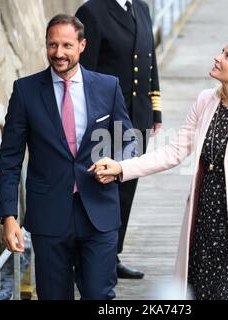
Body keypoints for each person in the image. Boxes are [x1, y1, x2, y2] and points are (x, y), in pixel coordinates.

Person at [90, 36, 228, 300]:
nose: (218, 57)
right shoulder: (206, 101)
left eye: (227, 56)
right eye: (222, 51)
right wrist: (121, 168)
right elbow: (172, 152)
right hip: (204, 226)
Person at [0, 14, 135, 300]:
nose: (58, 53)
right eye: (52, 45)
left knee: (99, 295)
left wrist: (118, 166)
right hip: (49, 217)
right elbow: (10, 158)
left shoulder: (108, 86)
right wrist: (8, 216)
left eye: (67, 46)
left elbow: (127, 140)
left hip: (99, 212)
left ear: (82, 45)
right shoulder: (25, 91)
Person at [75, 0, 162, 279]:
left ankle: (112, 256)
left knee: (126, 188)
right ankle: (89, 258)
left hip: (138, 117)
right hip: (105, 121)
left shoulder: (142, 8)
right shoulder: (92, 12)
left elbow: (150, 60)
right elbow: (83, 73)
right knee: (100, 190)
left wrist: (155, 107)